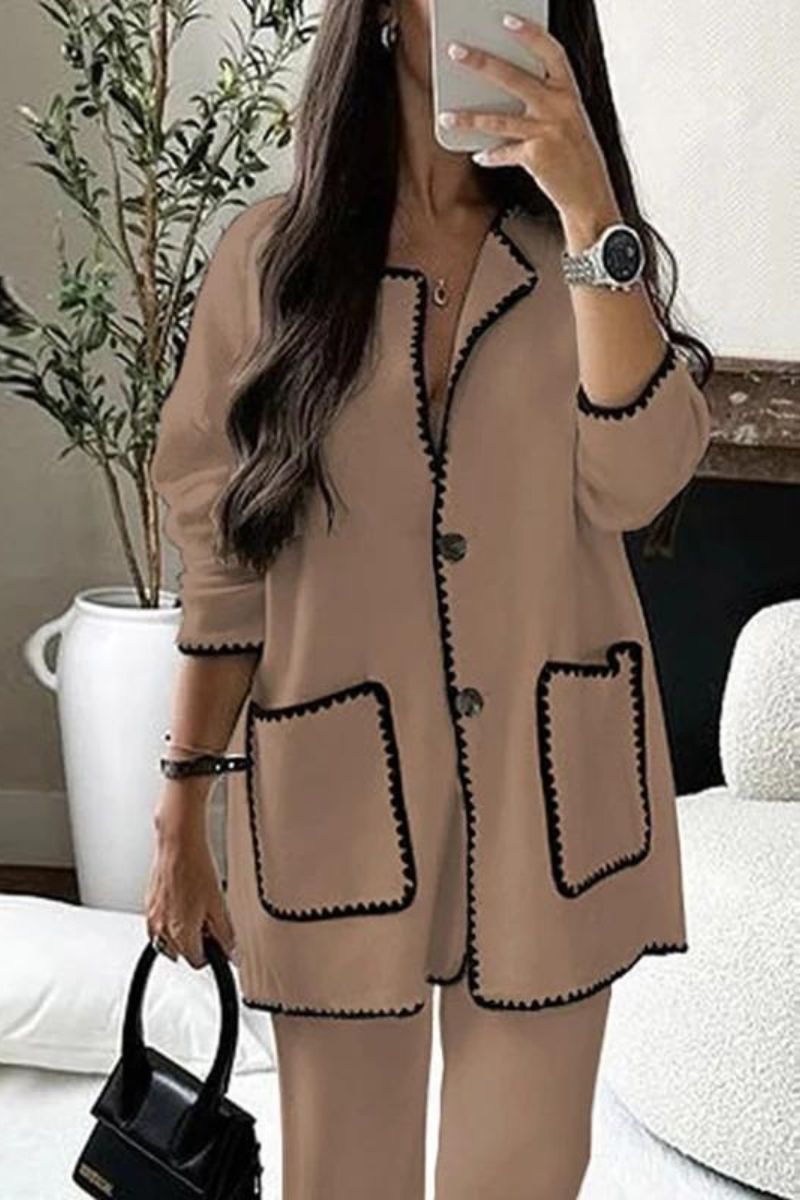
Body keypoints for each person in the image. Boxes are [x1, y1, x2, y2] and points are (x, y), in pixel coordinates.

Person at [145, 1, 713, 1196]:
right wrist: (180, 816)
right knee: (342, 1174)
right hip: (338, 796)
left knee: (521, 1172)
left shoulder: (582, 261)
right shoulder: (270, 262)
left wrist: (589, 210)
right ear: (385, 18)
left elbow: (638, 481)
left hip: (549, 803)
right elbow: (224, 564)